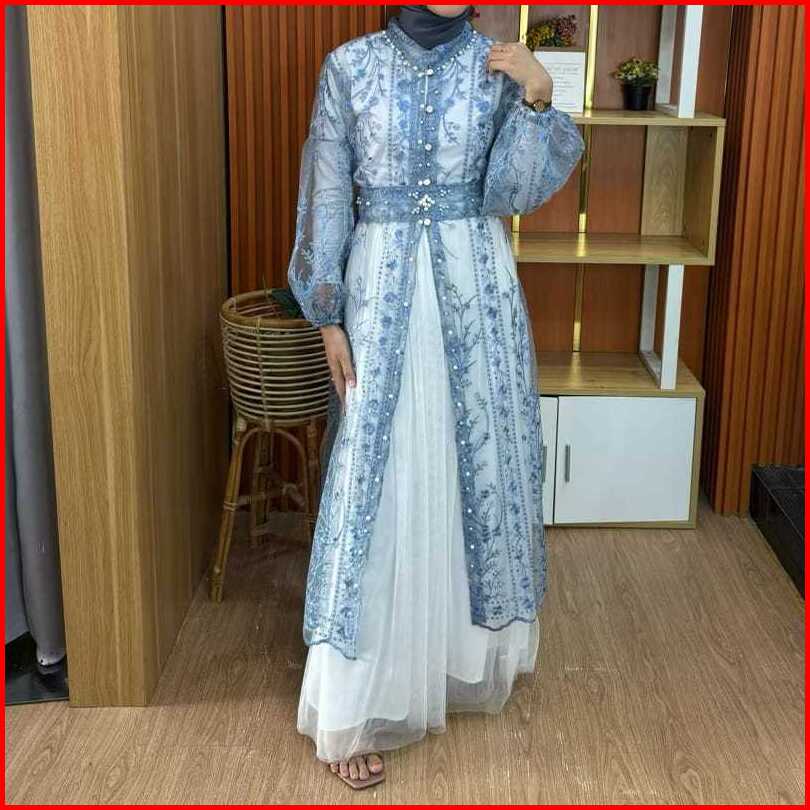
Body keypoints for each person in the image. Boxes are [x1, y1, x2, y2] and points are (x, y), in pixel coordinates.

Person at [287, 4, 584, 790]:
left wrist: (539, 95)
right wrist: (326, 312)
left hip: (477, 286)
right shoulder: (350, 67)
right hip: (380, 294)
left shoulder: (501, 65)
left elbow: (513, 192)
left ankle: (454, 660)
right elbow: (325, 190)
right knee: (378, 479)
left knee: (473, 467)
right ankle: (358, 699)